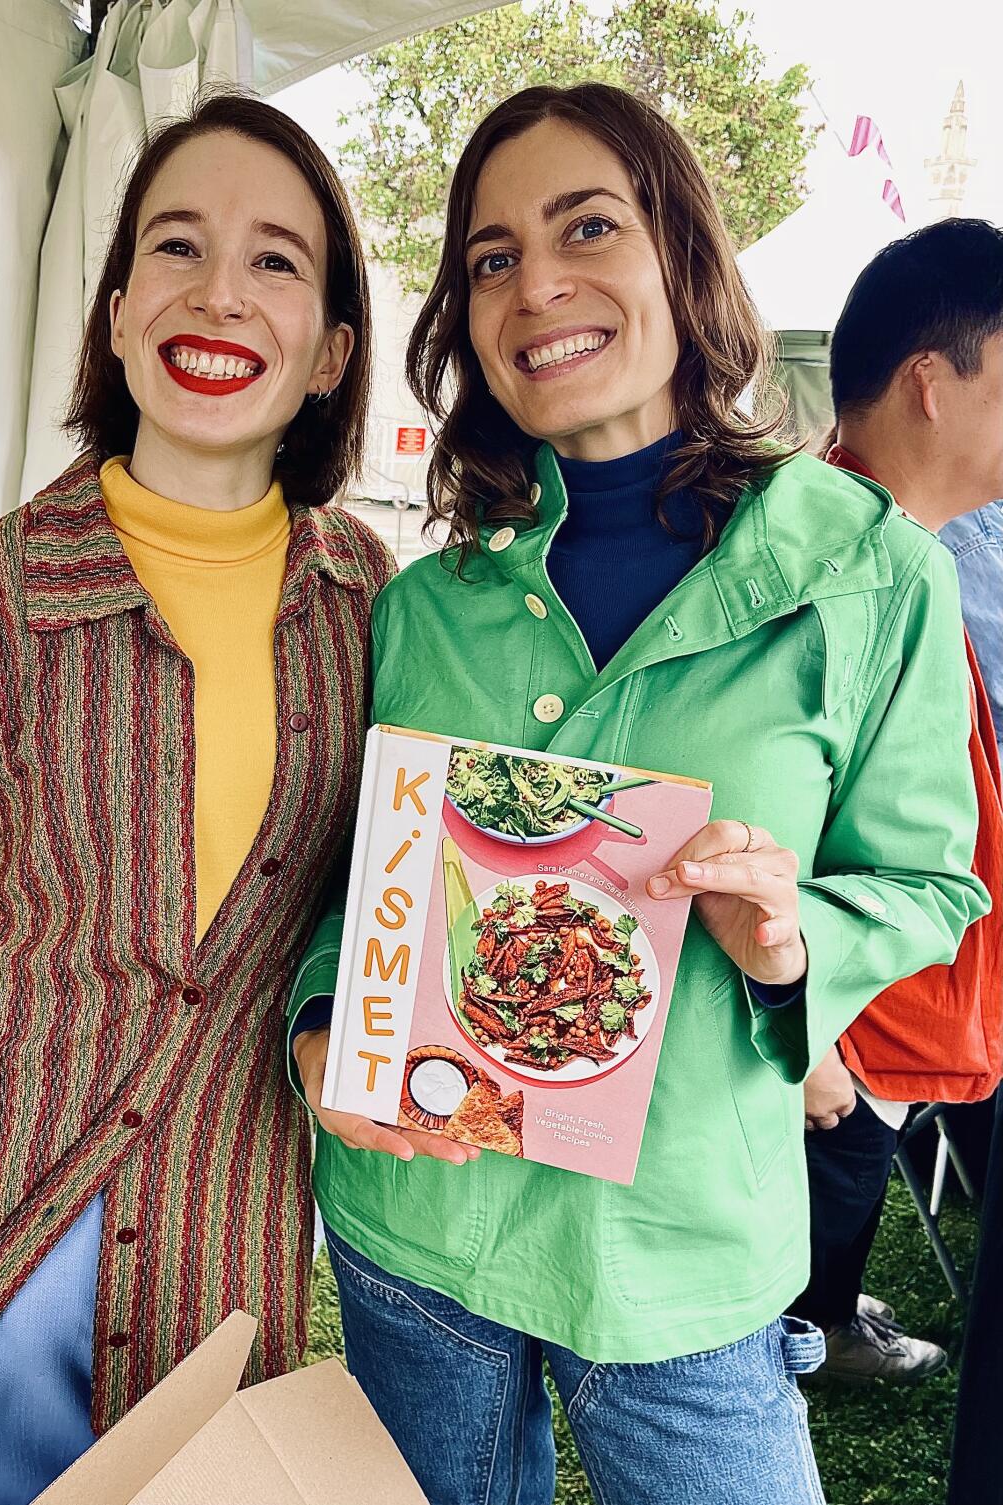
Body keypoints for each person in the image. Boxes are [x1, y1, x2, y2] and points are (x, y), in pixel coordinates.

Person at [287, 83, 989, 1505]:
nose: (538, 283)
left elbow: (935, 887)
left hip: (684, 1246)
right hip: (424, 1224)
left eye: (587, 226)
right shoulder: (425, 604)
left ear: (680, 253)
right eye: (492, 258)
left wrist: (801, 938)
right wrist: (320, 1020)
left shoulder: (871, 570)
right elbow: (357, 873)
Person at [0, 92, 392, 1505]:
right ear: (113, 308)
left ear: (334, 348)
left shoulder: (370, 606)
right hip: (2, 1210)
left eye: (278, 259)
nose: (220, 290)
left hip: (227, 1208)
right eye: (176, 245)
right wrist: (23, 1064)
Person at [795, 219, 1003, 1388]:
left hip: (900, 990)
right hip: (841, 1009)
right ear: (932, 381)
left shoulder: (905, 547)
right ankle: (813, 1329)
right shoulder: (835, 557)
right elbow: (763, 803)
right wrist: (805, 1031)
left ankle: (819, 1316)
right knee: (837, 1157)